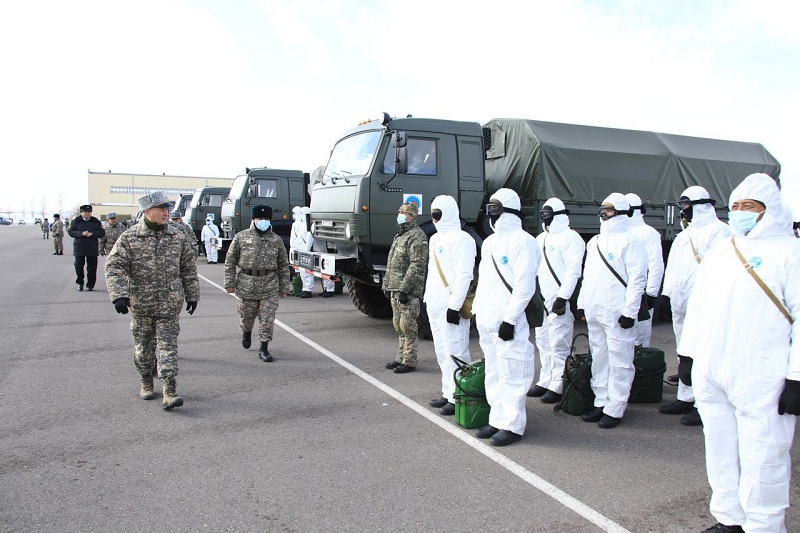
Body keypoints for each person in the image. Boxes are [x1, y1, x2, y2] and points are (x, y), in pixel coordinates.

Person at [679, 173, 799, 533]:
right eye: (735, 206)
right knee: (720, 448)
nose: (740, 212)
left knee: (764, 455)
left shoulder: (790, 253)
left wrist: (797, 377)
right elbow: (699, 306)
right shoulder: (723, 250)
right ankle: (729, 517)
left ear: (770, 210)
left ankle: (764, 525)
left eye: (750, 206)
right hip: (714, 369)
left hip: (762, 374)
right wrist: (688, 354)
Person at [105, 191, 199, 411]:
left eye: (167, 209)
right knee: (144, 348)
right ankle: (146, 380)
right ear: (147, 212)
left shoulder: (177, 237)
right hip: (141, 304)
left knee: (168, 348)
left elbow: (187, 268)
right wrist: (119, 294)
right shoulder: (130, 237)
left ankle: (169, 390)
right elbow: (114, 267)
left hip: (169, 303)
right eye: (161, 209)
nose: (166, 213)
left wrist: (192, 294)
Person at [472, 188, 540, 446]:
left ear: (509, 209)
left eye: (496, 207)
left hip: (507, 320)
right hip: (488, 318)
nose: (491, 212)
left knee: (513, 370)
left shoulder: (524, 241)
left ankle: (513, 424)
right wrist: (478, 310)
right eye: (489, 207)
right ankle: (497, 418)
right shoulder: (489, 242)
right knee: (494, 371)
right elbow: (485, 280)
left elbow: (524, 285)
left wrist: (510, 319)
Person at [659, 186, 730, 426]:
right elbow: (674, 265)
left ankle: (703, 403)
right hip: (681, 301)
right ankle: (685, 396)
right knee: (684, 351)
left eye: (687, 205)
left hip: (705, 303)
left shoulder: (720, 231)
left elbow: (721, 270)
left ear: (700, 205)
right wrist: (667, 293)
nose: (683, 211)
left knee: (704, 353)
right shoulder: (684, 234)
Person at [577, 193, 647, 428]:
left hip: (618, 312)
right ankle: (600, 400)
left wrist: (630, 311)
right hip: (597, 310)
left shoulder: (632, 241)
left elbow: (638, 280)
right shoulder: (594, 241)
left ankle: (616, 407)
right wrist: (583, 303)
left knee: (620, 359)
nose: (603, 213)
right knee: (599, 357)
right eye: (602, 209)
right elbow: (588, 276)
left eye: (608, 209)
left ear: (620, 211)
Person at [529, 197, 585, 404]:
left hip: (559, 300)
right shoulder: (540, 239)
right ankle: (545, 379)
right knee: (543, 341)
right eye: (543, 213)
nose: (544, 216)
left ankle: (559, 383)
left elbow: (573, 271)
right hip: (542, 298)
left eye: (548, 213)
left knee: (559, 342)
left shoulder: (572, 238)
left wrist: (563, 298)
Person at [424, 195, 476, 415]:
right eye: (432, 215)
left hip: (450, 305)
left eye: (438, 215)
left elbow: (465, 275)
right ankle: (447, 392)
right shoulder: (435, 239)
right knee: (442, 352)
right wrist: (427, 298)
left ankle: (459, 396)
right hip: (434, 304)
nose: (434, 220)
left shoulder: (463, 239)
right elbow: (432, 272)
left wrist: (454, 307)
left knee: (457, 351)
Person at [224, 204, 290, 362]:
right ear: (253, 219)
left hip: (269, 284)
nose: (263, 221)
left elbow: (283, 265)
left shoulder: (276, 240)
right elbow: (230, 261)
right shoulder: (241, 237)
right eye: (260, 218)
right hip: (247, 283)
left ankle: (264, 348)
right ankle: (246, 332)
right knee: (247, 317)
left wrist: (284, 287)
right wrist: (229, 282)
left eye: (266, 219)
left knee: (267, 318)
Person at [382, 201, 428, 374]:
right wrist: (387, 285)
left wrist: (406, 289)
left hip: (406, 289)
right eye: (399, 211)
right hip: (395, 287)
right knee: (398, 324)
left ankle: (409, 360)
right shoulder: (400, 235)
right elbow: (392, 263)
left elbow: (417, 265)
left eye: (404, 212)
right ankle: (400, 357)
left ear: (412, 216)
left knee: (408, 325)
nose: (400, 214)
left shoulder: (417, 236)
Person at [624, 193, 664, 347]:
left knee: (639, 336)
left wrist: (651, 293)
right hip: (620, 292)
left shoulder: (648, 233)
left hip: (640, 293)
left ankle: (641, 370)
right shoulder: (620, 233)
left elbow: (656, 264)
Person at [68, 204, 105, 291]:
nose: (87, 214)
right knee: (78, 266)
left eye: (89, 212)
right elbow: (71, 232)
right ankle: (80, 282)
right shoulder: (76, 222)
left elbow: (101, 232)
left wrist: (92, 234)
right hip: (79, 247)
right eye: (85, 212)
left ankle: (90, 284)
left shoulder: (96, 222)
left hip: (92, 247)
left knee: (92, 267)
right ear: (81, 213)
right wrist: (81, 234)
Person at [290, 206, 315, 298]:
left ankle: (308, 289)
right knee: (302, 271)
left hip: (305, 250)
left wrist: (306, 249)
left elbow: (309, 238)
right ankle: (305, 288)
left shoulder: (309, 224)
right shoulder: (300, 224)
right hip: (300, 249)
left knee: (307, 271)